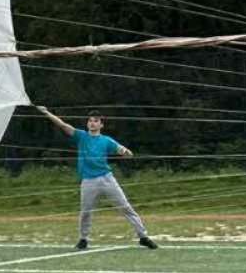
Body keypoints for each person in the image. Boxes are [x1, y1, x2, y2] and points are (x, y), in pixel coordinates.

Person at [35, 106, 159, 250]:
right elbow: (63, 125)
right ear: (87, 124)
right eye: (90, 121)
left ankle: (143, 237)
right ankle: (83, 239)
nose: (92, 123)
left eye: (96, 121)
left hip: (107, 179)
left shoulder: (106, 140)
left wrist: (126, 152)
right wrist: (46, 112)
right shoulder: (81, 136)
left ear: (101, 124)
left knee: (125, 207)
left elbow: (121, 150)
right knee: (85, 212)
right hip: (88, 181)